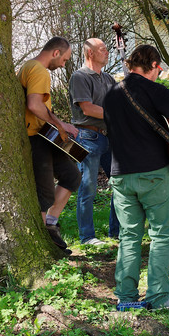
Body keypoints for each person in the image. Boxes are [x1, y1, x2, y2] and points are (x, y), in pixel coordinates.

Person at [103, 44, 169, 310]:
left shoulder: (111, 94)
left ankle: (125, 297)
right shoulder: (154, 90)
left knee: (128, 236)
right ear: (155, 66)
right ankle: (158, 297)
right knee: (162, 235)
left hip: (120, 176)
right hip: (153, 174)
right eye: (159, 69)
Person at [18, 36, 82, 253]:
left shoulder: (31, 67)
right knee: (45, 193)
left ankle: (51, 225)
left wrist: (59, 127)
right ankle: (44, 240)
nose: (63, 64)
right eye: (64, 59)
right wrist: (61, 125)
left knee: (72, 176)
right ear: (55, 53)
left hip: (46, 135)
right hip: (36, 138)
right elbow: (35, 105)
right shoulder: (39, 70)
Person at [69, 38, 119, 246]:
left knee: (120, 184)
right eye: (103, 49)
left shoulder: (108, 78)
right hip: (87, 137)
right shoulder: (79, 76)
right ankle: (87, 237)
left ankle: (116, 233)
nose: (107, 52)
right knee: (88, 188)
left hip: (109, 137)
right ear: (90, 53)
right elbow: (87, 109)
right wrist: (117, 113)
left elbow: (120, 101)